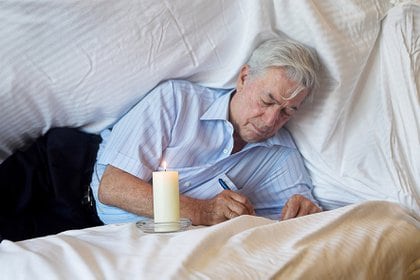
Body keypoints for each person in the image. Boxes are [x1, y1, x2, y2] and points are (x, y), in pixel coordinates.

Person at [90, 38, 322, 226]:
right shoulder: (176, 101)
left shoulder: (281, 154)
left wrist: (306, 212)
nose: (271, 120)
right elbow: (112, 188)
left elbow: (306, 216)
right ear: (244, 78)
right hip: (71, 181)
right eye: (266, 101)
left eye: (287, 111)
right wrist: (201, 210)